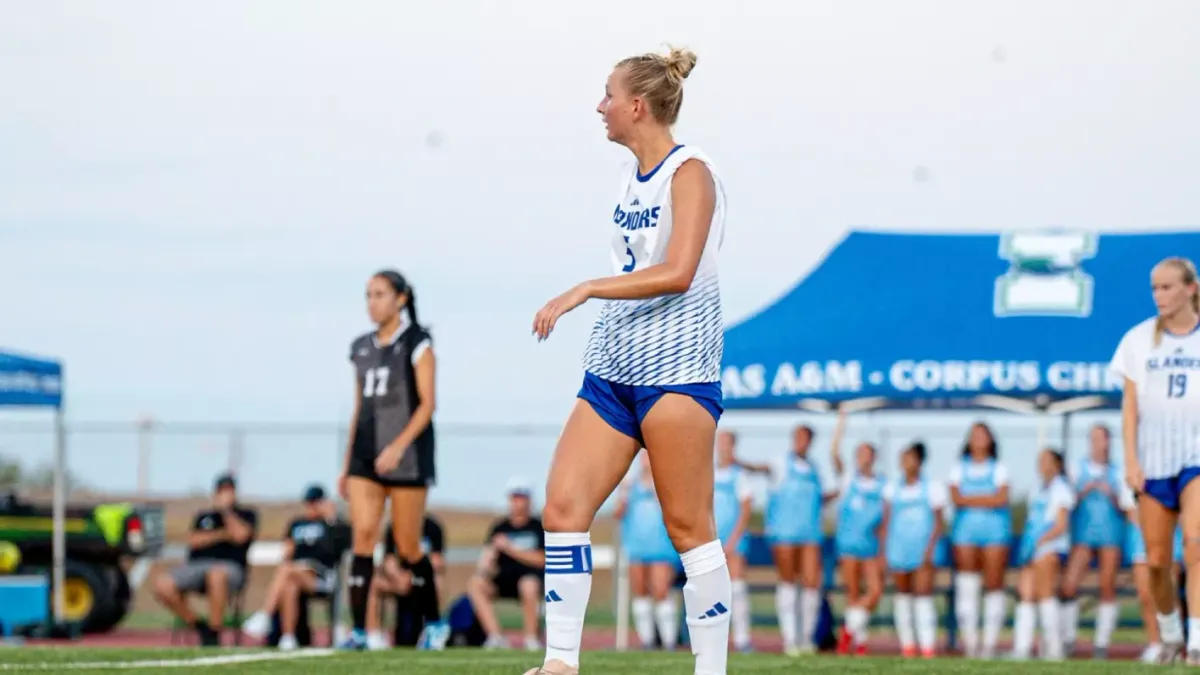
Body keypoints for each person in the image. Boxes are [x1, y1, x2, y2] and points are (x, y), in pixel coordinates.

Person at [525, 44, 730, 675]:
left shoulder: (690, 171)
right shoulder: (629, 178)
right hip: (613, 371)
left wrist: (585, 287)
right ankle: (561, 663)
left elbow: (679, 272)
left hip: (677, 373)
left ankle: (711, 670)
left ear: (637, 105)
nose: (600, 105)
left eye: (609, 94)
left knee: (688, 528)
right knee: (561, 508)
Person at [337, 270, 442, 650]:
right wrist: (348, 461)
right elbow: (358, 408)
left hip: (408, 457)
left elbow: (428, 404)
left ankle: (434, 623)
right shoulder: (360, 347)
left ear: (400, 299)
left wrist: (398, 446)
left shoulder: (418, 343)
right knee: (362, 537)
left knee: (407, 545)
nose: (372, 302)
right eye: (368, 295)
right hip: (366, 456)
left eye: (380, 294)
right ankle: (359, 632)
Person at [1111, 256, 1200, 664]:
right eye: (1155, 288)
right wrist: (1130, 460)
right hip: (1153, 461)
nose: (1159, 295)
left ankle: (1197, 641)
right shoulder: (1139, 340)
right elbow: (1130, 408)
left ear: (1190, 288)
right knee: (1158, 561)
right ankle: (1169, 635)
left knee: (1196, 545)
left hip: (1195, 457)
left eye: (1167, 287)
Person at [739, 425, 833, 656]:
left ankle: (807, 638)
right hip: (784, 533)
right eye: (797, 437)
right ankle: (791, 639)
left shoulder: (814, 469)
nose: (800, 441)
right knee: (788, 583)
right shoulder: (780, 463)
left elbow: (820, 498)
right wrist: (738, 461)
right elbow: (761, 468)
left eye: (805, 438)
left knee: (812, 583)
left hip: (810, 533)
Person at [151, 473, 258, 646]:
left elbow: (241, 535)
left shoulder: (246, 514)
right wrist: (222, 534)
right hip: (197, 566)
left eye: (229, 491)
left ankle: (214, 634)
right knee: (162, 584)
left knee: (216, 574)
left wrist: (225, 512)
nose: (225, 495)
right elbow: (194, 541)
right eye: (222, 491)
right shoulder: (204, 516)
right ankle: (199, 626)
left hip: (230, 568)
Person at [240, 485, 347, 648]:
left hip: (321, 575)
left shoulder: (332, 525)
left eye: (316, 503)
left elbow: (339, 549)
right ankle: (288, 638)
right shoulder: (297, 523)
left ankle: (264, 615)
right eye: (309, 503)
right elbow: (287, 551)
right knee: (289, 584)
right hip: (296, 572)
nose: (312, 507)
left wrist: (331, 520)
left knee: (287, 571)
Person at [946, 422, 1010, 659]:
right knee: (967, 584)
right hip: (965, 533)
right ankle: (971, 643)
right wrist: (987, 498)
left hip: (995, 533)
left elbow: (1001, 498)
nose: (979, 438)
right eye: (975, 434)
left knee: (994, 585)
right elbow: (955, 498)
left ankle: (990, 644)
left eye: (983, 434)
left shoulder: (999, 468)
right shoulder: (958, 468)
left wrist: (969, 499)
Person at [1059, 424, 1123, 658]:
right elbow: (1065, 502)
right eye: (1094, 438)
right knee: (1069, 585)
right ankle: (1067, 639)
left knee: (1107, 586)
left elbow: (1127, 506)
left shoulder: (1118, 471)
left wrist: (1111, 494)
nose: (1098, 443)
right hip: (1083, 534)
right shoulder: (1077, 469)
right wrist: (1083, 492)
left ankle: (1101, 644)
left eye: (1102, 438)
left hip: (1110, 533)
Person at [881, 441, 945, 659]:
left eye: (909, 458)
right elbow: (886, 521)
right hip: (898, 549)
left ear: (919, 461)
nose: (905, 463)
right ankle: (907, 646)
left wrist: (930, 549)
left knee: (923, 596)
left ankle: (927, 646)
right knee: (902, 596)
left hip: (923, 550)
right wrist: (884, 552)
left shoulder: (933, 487)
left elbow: (939, 522)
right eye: (902, 458)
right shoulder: (892, 488)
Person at [1009, 449, 1075, 661]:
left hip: (1050, 547)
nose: (1042, 465)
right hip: (1032, 549)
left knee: (1046, 595)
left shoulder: (1062, 489)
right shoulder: (1036, 489)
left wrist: (1041, 541)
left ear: (1057, 465)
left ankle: (1054, 649)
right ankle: (1022, 648)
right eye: (1040, 460)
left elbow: (1061, 524)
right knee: (1026, 594)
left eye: (1047, 460)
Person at [828, 411, 884, 655]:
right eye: (859, 453)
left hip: (871, 547)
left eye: (866, 453)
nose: (862, 458)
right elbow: (833, 454)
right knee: (852, 594)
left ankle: (848, 632)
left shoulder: (883, 483)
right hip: (848, 545)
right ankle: (859, 644)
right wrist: (842, 423)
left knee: (874, 592)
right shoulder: (848, 478)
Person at [467, 478, 545, 651]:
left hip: (530, 578)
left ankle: (531, 639)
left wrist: (510, 549)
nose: (517, 502)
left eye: (522, 498)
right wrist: (486, 565)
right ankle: (495, 637)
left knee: (528, 585)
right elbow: (487, 558)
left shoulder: (537, 527)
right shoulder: (500, 527)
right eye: (514, 497)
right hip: (503, 580)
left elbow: (542, 558)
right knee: (475, 584)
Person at [614, 452, 681, 651]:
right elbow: (618, 514)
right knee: (640, 592)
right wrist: (623, 496)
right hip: (636, 545)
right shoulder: (631, 485)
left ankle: (669, 642)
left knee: (661, 591)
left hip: (662, 546)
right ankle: (647, 641)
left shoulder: (666, 483)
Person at [1123, 483, 1186, 663]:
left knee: (1171, 595)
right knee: (1146, 596)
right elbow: (1131, 510)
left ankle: (1175, 643)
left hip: (1171, 538)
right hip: (1140, 539)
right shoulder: (1134, 471)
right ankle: (1155, 644)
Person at [367, 514, 446, 649]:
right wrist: (398, 576)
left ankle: (433, 630)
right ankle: (373, 636)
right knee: (375, 584)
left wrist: (415, 575)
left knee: (437, 583)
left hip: (423, 579)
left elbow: (437, 561)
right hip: (400, 580)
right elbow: (389, 560)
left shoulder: (432, 527)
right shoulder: (394, 526)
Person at [712, 430, 754, 652]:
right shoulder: (707, 473)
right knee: (711, 591)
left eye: (727, 443)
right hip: (711, 542)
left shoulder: (740, 476)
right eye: (720, 443)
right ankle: (714, 640)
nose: (723, 447)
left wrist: (732, 540)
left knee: (736, 589)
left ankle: (742, 639)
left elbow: (746, 510)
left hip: (733, 543)